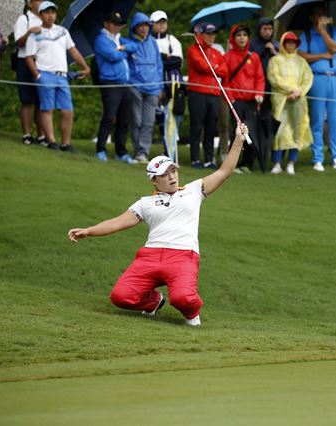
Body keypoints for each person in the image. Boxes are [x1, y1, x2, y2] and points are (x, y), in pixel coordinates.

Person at [67, 123, 250, 327]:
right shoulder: (145, 203)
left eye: (173, 171)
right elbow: (117, 222)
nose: (171, 176)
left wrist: (238, 141)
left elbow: (224, 171)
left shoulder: (193, 190)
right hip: (150, 256)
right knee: (120, 296)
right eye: (164, 174)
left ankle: (192, 313)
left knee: (183, 299)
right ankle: (154, 301)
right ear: (154, 180)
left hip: (183, 256)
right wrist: (88, 231)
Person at [24, 1, 89, 151]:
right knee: (47, 109)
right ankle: (52, 142)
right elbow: (29, 57)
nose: (50, 15)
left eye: (53, 12)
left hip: (62, 76)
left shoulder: (62, 31)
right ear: (40, 15)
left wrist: (85, 67)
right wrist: (37, 76)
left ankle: (66, 143)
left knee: (67, 110)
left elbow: (73, 50)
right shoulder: (35, 33)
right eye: (47, 12)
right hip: (45, 74)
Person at [299, 4, 336, 172]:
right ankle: (317, 157)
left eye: (323, 14)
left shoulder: (334, 32)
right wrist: (321, 56)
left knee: (334, 120)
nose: (321, 17)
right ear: (312, 17)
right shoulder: (307, 36)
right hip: (317, 77)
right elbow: (302, 55)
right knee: (317, 119)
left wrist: (323, 31)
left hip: (335, 78)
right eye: (317, 15)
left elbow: (334, 48)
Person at [93, 11, 137, 164]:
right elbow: (113, 56)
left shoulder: (119, 39)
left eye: (119, 24)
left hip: (125, 84)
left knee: (124, 119)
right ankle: (100, 149)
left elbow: (134, 46)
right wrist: (125, 52)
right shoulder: (101, 39)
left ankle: (121, 152)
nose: (118, 27)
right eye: (115, 23)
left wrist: (122, 48)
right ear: (107, 24)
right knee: (109, 117)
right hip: (110, 83)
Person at [267, 32, 313, 175]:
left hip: (298, 101)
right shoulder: (275, 60)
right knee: (280, 132)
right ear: (283, 43)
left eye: (294, 42)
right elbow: (274, 78)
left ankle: (292, 162)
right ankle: (277, 163)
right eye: (288, 42)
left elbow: (308, 78)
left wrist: (299, 92)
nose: (291, 45)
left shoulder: (301, 62)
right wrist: (290, 90)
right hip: (281, 101)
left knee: (296, 130)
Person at [187, 22, 229, 169]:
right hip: (197, 93)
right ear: (201, 35)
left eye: (213, 34)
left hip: (213, 94)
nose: (211, 37)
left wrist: (213, 66)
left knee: (211, 128)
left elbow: (224, 70)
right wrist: (214, 66)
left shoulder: (216, 52)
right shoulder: (194, 50)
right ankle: (195, 159)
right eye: (208, 34)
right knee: (196, 127)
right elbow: (203, 66)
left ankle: (209, 159)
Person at [224, 24, 264, 173]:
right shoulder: (228, 56)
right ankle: (233, 164)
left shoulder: (254, 57)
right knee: (237, 133)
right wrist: (231, 98)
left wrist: (259, 93)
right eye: (238, 35)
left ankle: (247, 163)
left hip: (251, 102)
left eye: (244, 35)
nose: (242, 38)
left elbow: (259, 77)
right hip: (236, 102)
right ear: (233, 38)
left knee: (251, 132)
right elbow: (225, 80)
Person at [125, 12, 163, 163]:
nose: (144, 29)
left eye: (146, 26)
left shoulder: (153, 42)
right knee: (136, 121)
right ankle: (137, 150)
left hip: (153, 89)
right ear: (134, 27)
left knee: (148, 122)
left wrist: (160, 86)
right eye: (141, 26)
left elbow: (159, 65)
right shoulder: (128, 43)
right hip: (135, 87)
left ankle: (143, 153)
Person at [13, 0, 45, 146]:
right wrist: (30, 31)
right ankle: (26, 135)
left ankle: (41, 136)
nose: (41, 3)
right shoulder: (23, 19)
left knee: (41, 101)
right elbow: (19, 42)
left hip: (41, 62)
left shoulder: (45, 19)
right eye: (38, 0)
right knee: (27, 100)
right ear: (30, 3)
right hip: (25, 62)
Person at [150, 10, 183, 145]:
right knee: (156, 116)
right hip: (153, 83)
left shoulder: (172, 40)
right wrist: (164, 58)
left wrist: (161, 60)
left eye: (164, 21)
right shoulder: (149, 41)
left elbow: (177, 61)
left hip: (172, 85)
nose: (162, 24)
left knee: (172, 117)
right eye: (159, 22)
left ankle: (169, 148)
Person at [249, 17, 279, 164]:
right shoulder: (252, 44)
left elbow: (283, 62)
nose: (268, 32)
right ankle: (254, 154)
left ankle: (271, 154)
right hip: (257, 91)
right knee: (255, 122)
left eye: (270, 29)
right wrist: (262, 51)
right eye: (265, 29)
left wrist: (273, 51)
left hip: (273, 90)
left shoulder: (276, 45)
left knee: (272, 122)